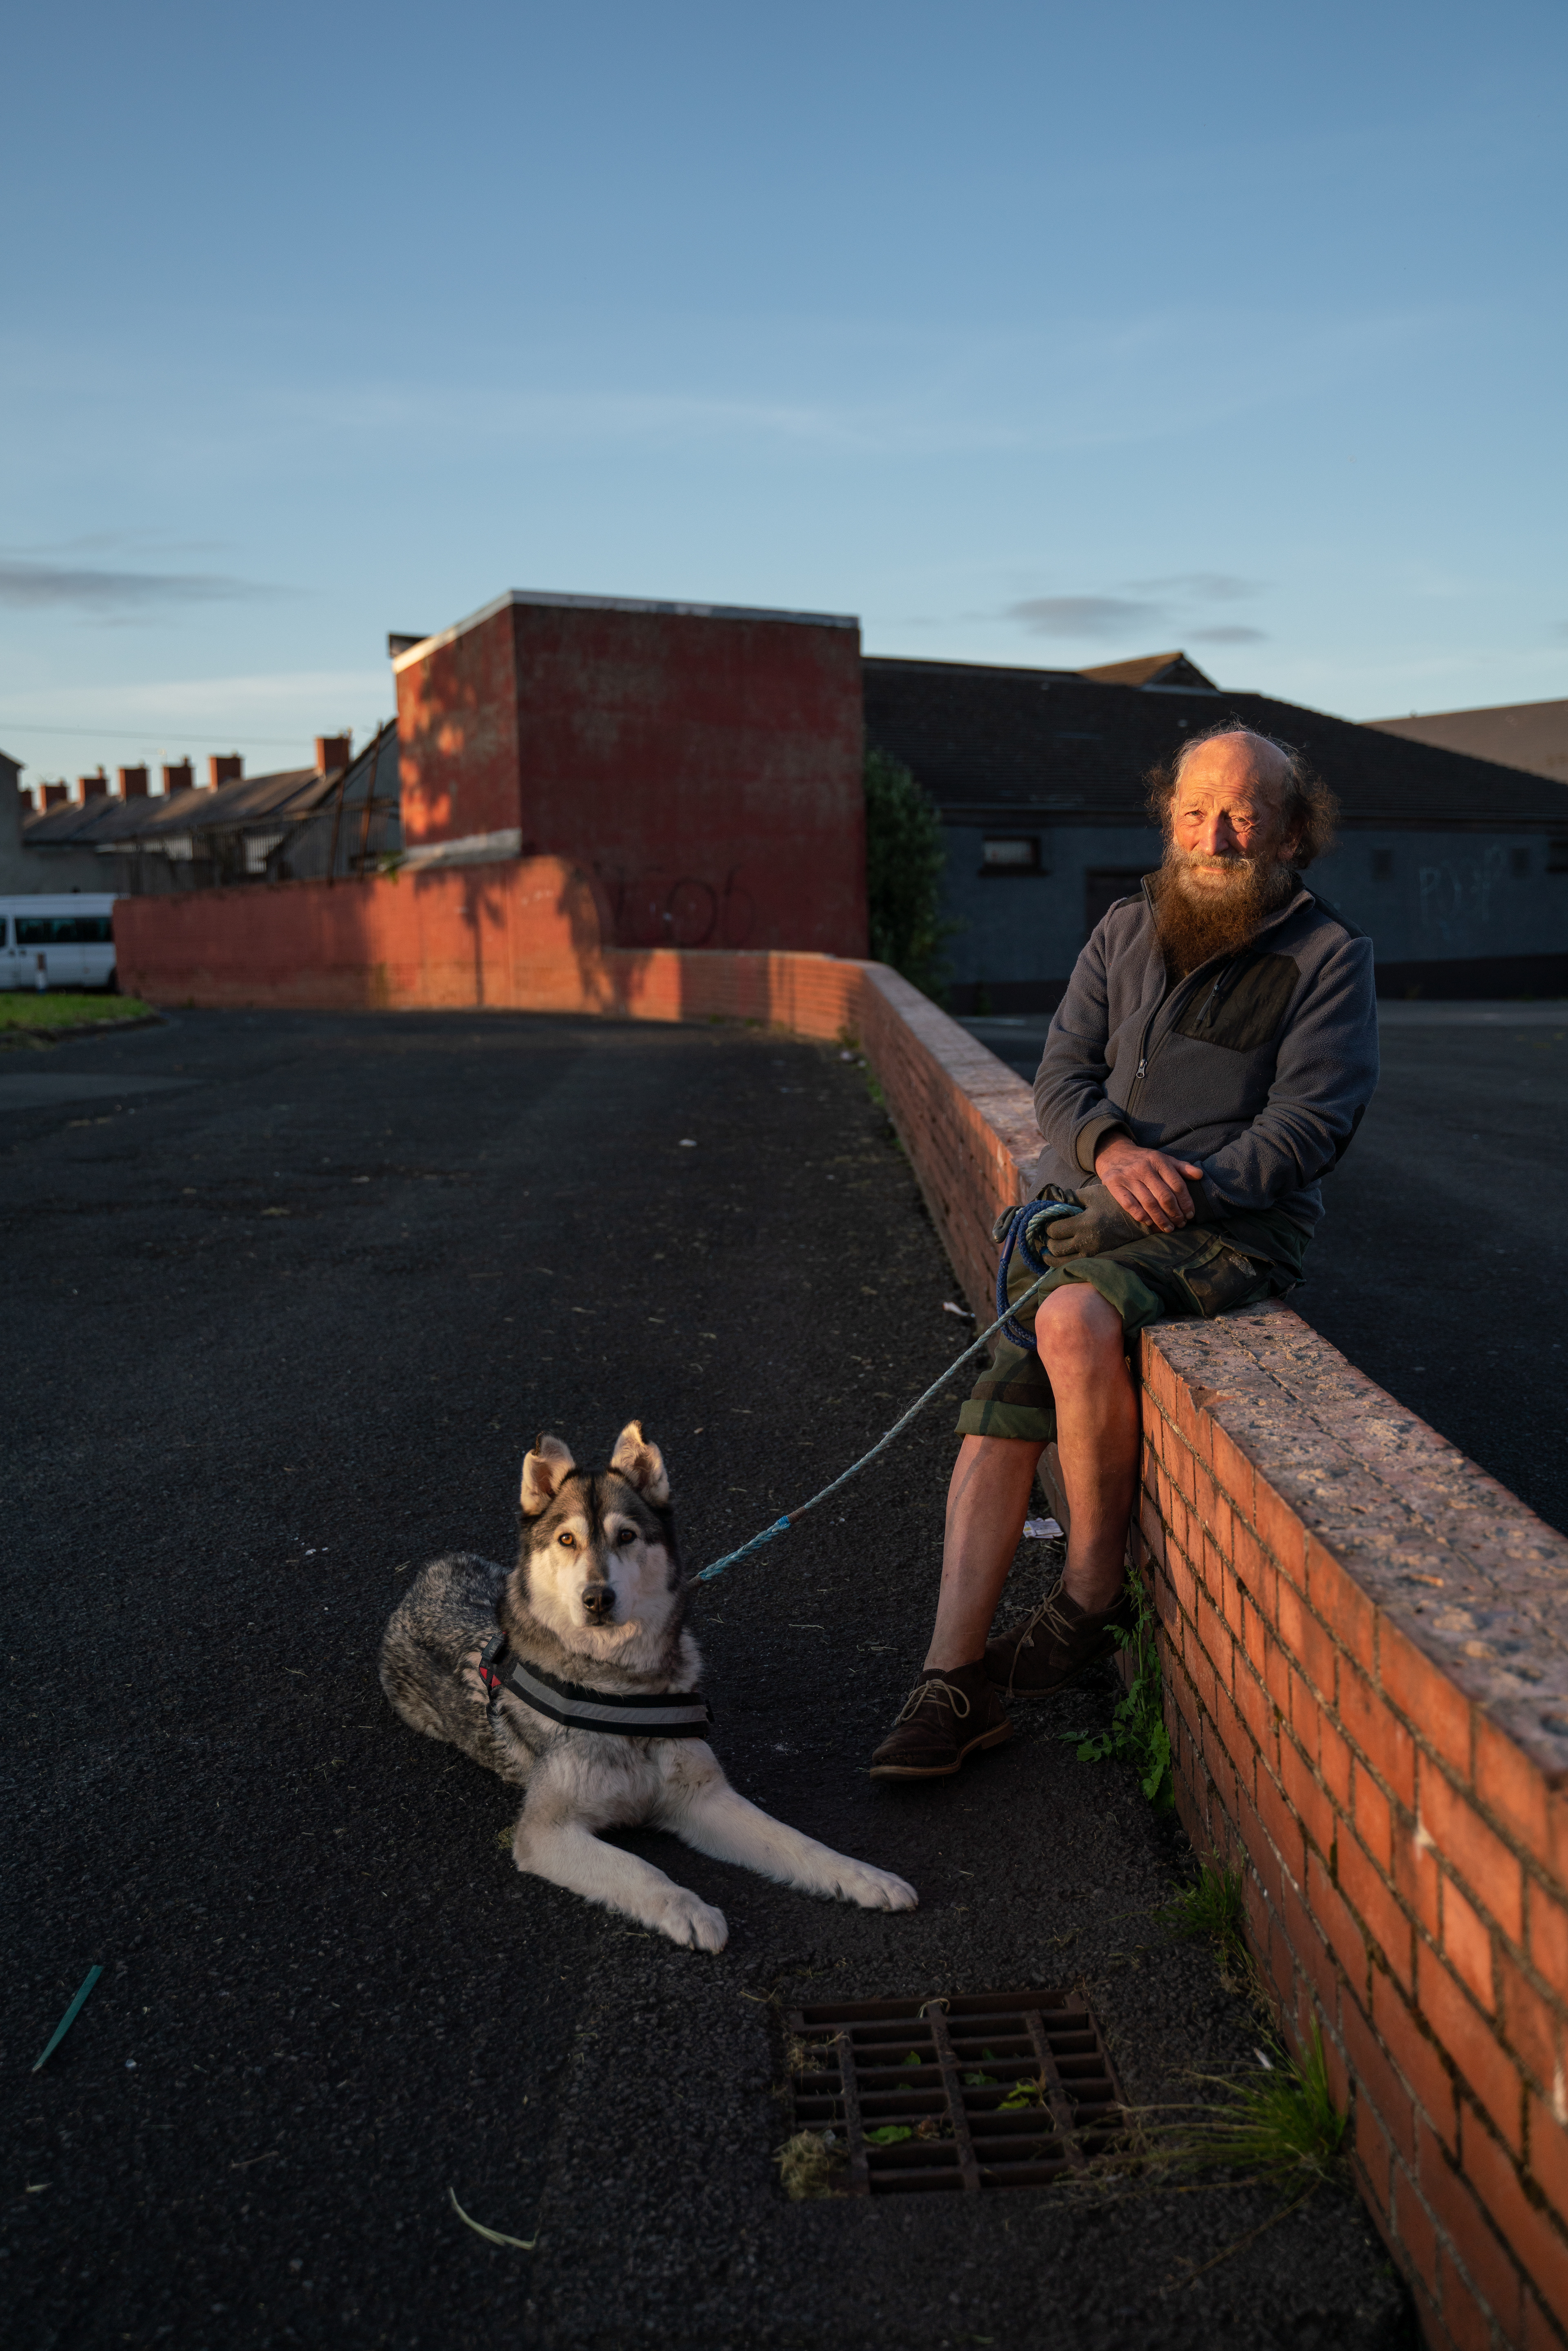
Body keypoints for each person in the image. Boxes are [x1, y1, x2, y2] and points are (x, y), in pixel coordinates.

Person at [869, 722, 1379, 1779]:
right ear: (1170, 821)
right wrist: (1107, 1150)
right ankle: (950, 1680)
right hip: (1105, 1210)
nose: (1216, 833)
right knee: (1004, 1395)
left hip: (1235, 1231)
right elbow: (1060, 1077)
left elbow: (1307, 1130)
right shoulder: (1125, 928)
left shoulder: (1329, 959)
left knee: (1064, 1315)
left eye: (1243, 813)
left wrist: (1169, 1189)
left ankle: (1093, 1594)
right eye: (1196, 812)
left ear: (1290, 832)